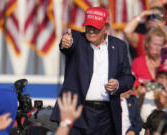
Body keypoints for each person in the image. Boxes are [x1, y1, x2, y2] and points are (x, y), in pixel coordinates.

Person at [50, 7, 135, 135]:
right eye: (88, 26)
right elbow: (67, 45)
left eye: (96, 27)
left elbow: (128, 78)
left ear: (106, 28)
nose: (91, 31)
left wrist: (117, 84)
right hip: (78, 112)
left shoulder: (119, 46)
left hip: (107, 116)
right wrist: (65, 43)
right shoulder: (77, 39)